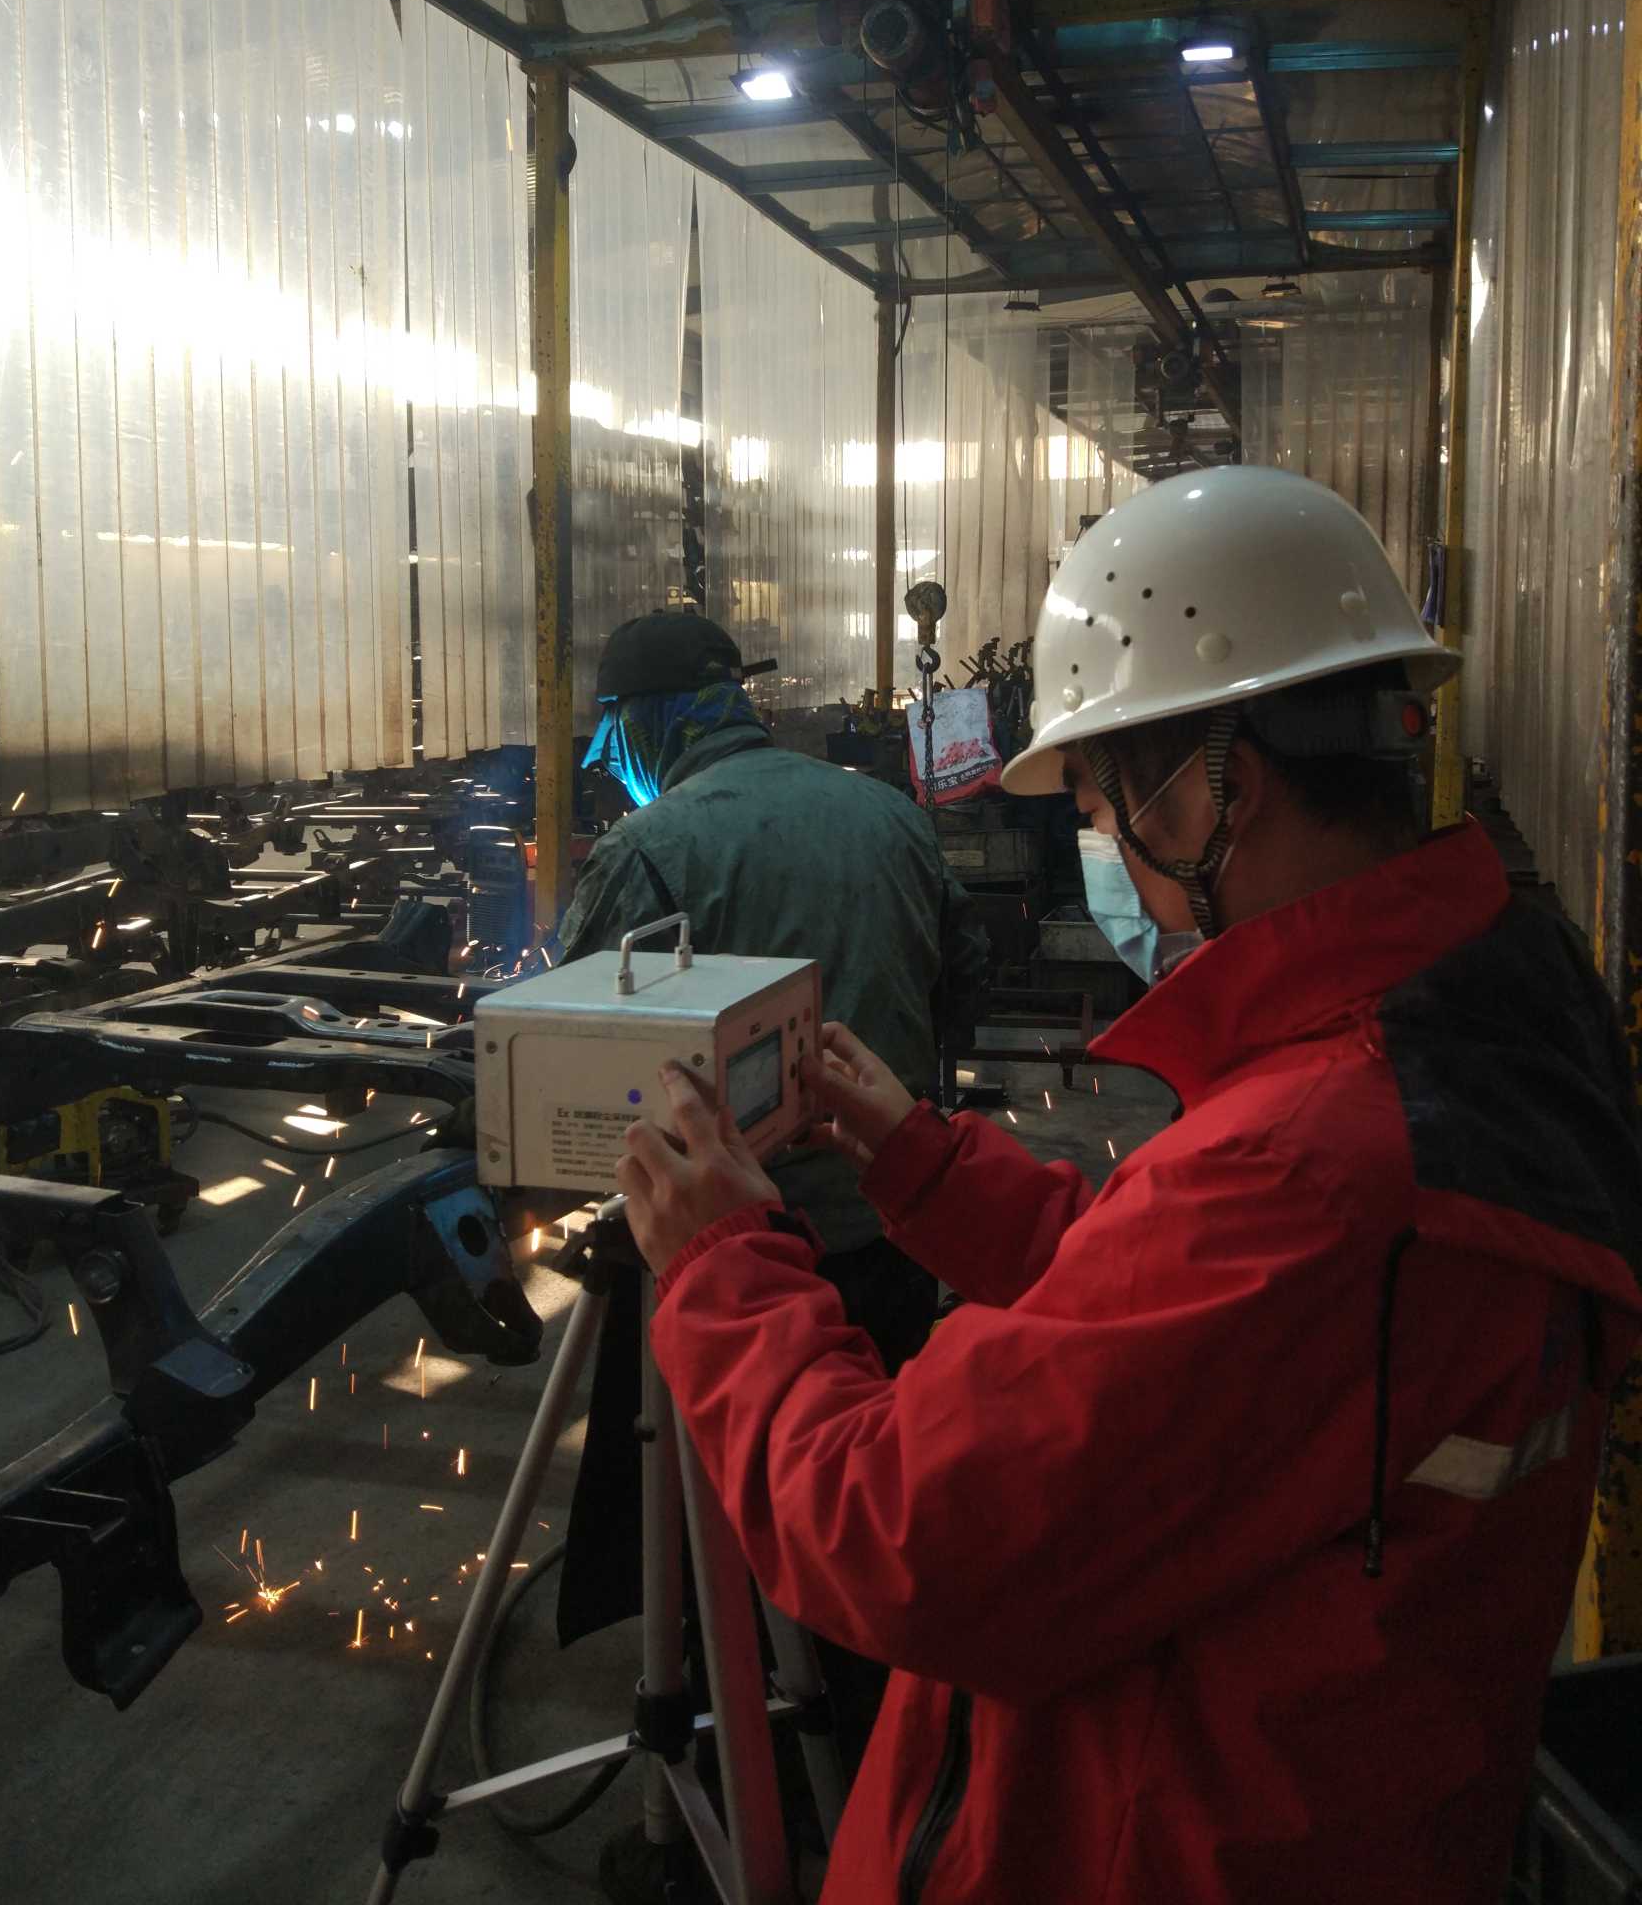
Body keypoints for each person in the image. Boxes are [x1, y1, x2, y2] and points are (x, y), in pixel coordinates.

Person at [613, 467, 1642, 1905]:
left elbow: (897, 1534)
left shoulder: (1311, 1159)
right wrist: (923, 1161)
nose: (1104, 844)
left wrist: (726, 1266)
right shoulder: (1462, 1027)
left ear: (1221, 788)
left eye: (1102, 802)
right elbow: (1176, 1326)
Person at [551, 608, 987, 1677]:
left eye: (613, 731)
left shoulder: (648, 847)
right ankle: (856, 1694)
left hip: (729, 1262)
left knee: (737, 1515)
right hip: (896, 1224)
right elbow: (963, 983)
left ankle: (735, 1723)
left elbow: (574, 1042)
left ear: (645, 722)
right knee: (872, 1506)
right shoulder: (891, 813)